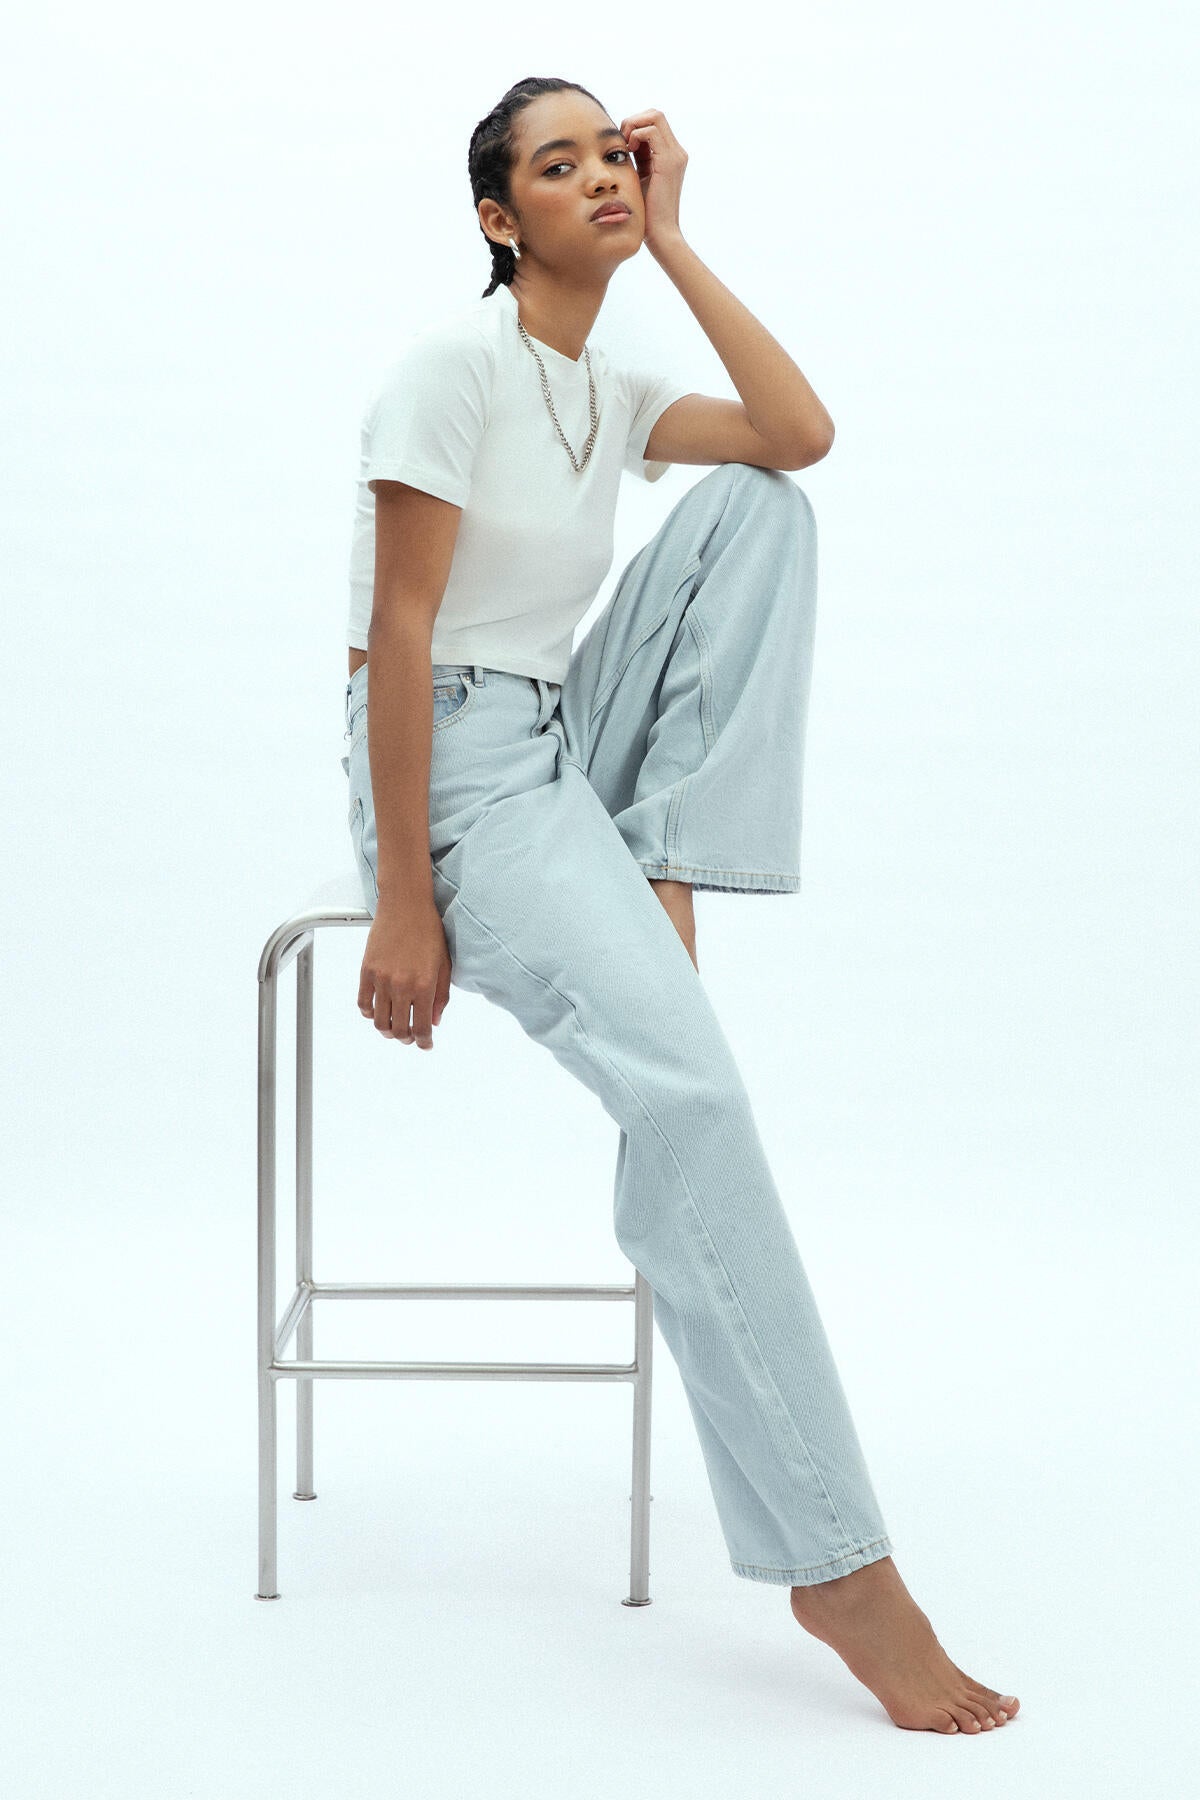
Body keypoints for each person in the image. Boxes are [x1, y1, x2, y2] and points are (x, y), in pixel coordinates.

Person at [340, 77, 1020, 1737]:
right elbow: (401, 637)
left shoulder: (609, 381)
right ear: (498, 218)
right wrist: (408, 896)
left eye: (611, 154)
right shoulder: (450, 368)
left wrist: (681, 238)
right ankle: (839, 1566)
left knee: (760, 508)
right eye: (556, 165)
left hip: (563, 730)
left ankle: (664, 854)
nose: (598, 177)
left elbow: (798, 433)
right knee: (694, 1092)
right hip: (455, 770)